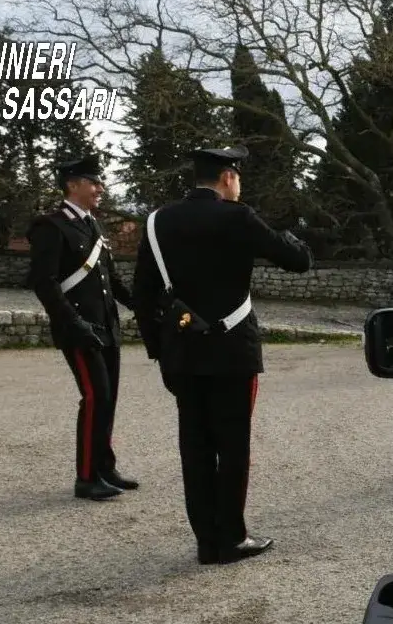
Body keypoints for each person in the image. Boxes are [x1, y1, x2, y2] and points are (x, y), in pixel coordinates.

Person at [130, 145, 313, 566]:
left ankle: (205, 542)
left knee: (194, 448)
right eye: (237, 177)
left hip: (182, 353)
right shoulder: (238, 217)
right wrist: (292, 236)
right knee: (232, 448)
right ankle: (231, 537)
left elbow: (143, 294)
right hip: (232, 352)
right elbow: (297, 261)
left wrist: (160, 349)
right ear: (228, 177)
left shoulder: (158, 221)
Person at [25, 154, 138, 501]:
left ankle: (104, 467)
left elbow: (111, 280)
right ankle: (86, 478)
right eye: (94, 182)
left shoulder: (93, 225)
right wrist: (72, 323)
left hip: (106, 326)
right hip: (78, 328)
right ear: (72, 185)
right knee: (95, 396)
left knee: (108, 398)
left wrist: (143, 306)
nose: (100, 188)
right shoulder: (51, 226)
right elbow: (44, 282)